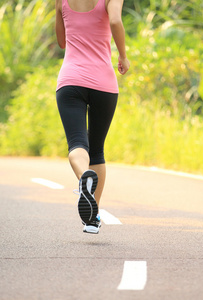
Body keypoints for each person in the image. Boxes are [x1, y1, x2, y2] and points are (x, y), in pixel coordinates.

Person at [55, 0, 130, 234]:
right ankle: (92, 217)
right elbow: (116, 20)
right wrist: (123, 56)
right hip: (103, 83)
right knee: (96, 150)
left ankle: (83, 177)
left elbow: (61, 41)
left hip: (70, 81)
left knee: (77, 143)